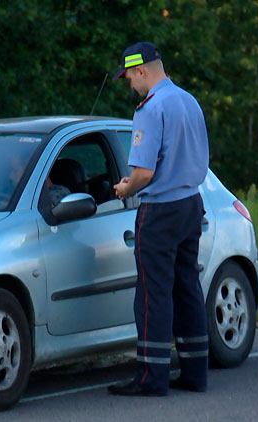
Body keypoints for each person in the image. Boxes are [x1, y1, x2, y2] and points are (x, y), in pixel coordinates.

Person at [108, 41, 210, 396]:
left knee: (153, 294)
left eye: (128, 78)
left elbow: (145, 173)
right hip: (191, 204)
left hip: (161, 209)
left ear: (141, 70)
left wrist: (125, 188)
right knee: (187, 287)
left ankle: (151, 378)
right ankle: (196, 371)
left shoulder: (150, 110)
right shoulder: (189, 101)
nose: (129, 85)